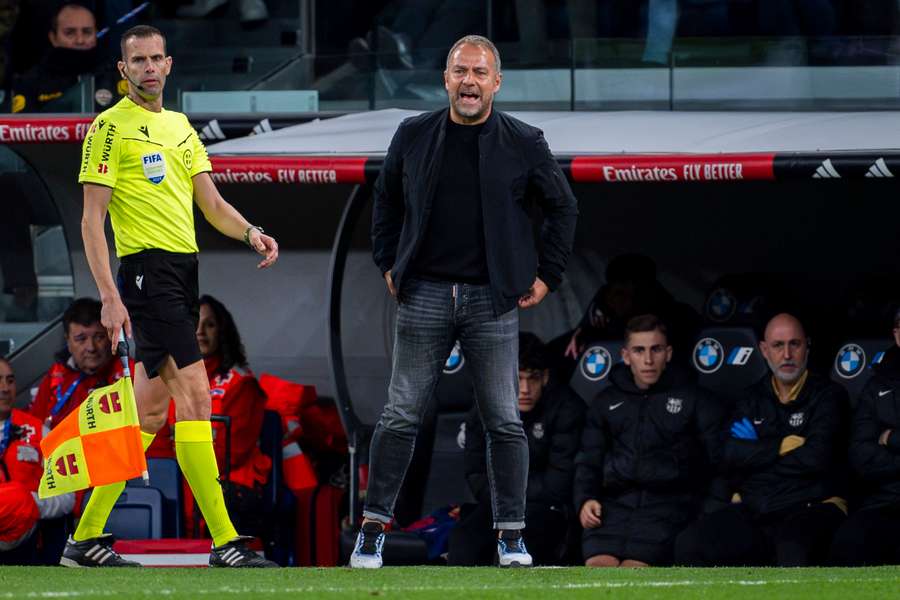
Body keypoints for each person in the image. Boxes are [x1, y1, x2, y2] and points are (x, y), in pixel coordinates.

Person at [354, 34, 578, 569]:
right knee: (399, 416)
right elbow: (383, 201)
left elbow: (563, 208)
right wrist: (388, 262)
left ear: (496, 82)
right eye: (460, 71)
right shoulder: (412, 133)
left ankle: (511, 536)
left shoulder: (525, 140)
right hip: (424, 293)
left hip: (491, 300)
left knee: (504, 420)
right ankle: (372, 529)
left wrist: (547, 276)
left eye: (480, 73)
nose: (469, 82)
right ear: (446, 79)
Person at [70, 24, 279, 568]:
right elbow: (92, 221)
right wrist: (108, 297)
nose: (149, 68)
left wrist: (251, 231)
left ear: (169, 63)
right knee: (197, 398)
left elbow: (210, 205)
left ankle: (86, 538)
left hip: (183, 274)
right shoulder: (108, 129)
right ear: (123, 69)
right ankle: (227, 541)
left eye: (156, 58)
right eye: (137, 60)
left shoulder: (181, 126)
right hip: (145, 275)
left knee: (148, 415)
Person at [674, 313, 850, 567]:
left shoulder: (830, 395)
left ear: (807, 346)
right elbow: (729, 454)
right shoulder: (750, 398)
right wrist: (780, 445)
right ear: (764, 350)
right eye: (778, 345)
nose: (787, 354)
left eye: (795, 344)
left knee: (792, 549)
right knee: (690, 543)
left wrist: (756, 451)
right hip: (757, 505)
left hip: (811, 504)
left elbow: (817, 458)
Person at [575, 315, 724, 567]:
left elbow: (721, 462)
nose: (647, 360)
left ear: (668, 353)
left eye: (655, 349)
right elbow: (588, 458)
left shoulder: (695, 399)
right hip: (612, 508)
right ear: (625, 355)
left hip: (669, 509)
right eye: (639, 350)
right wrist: (585, 499)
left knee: (634, 571)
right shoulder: (605, 401)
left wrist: (707, 514)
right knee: (599, 569)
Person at [448, 332, 584, 566]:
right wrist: (503, 503)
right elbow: (476, 472)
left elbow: (558, 483)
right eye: (517, 378)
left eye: (533, 378)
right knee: (465, 538)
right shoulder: (485, 407)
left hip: (546, 509)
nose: (525, 389)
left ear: (545, 378)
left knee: (526, 540)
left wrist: (510, 500)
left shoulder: (566, 409)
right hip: (496, 506)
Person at [147, 295, 272, 540]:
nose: (200, 332)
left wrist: (186, 461)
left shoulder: (241, 384)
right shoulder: (169, 379)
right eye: (195, 324)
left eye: (210, 325)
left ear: (223, 332)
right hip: (178, 479)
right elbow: (157, 441)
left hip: (229, 481)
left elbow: (232, 453)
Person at [555, 253, 700, 379]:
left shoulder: (679, 318)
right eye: (615, 292)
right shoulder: (601, 315)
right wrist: (585, 331)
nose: (614, 299)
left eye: (623, 293)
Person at [830, 308, 900, 566]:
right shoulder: (876, 386)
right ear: (897, 335)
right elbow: (860, 455)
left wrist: (891, 439)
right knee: (849, 543)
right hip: (885, 500)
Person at [0, 358, 75, 565]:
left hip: (25, 539)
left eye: (10, 380)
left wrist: (30, 503)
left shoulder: (40, 433)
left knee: (15, 497)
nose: (5, 388)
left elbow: (67, 497)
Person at [28, 298, 131, 429]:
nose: (91, 348)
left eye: (99, 337)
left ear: (110, 336)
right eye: (81, 339)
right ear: (68, 341)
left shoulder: (129, 372)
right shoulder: (56, 377)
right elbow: (33, 427)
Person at [11, 3, 121, 113]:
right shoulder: (31, 82)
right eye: (70, 33)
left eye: (87, 32)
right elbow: (22, 127)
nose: (80, 40)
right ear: (53, 37)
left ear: (95, 34)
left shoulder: (117, 74)